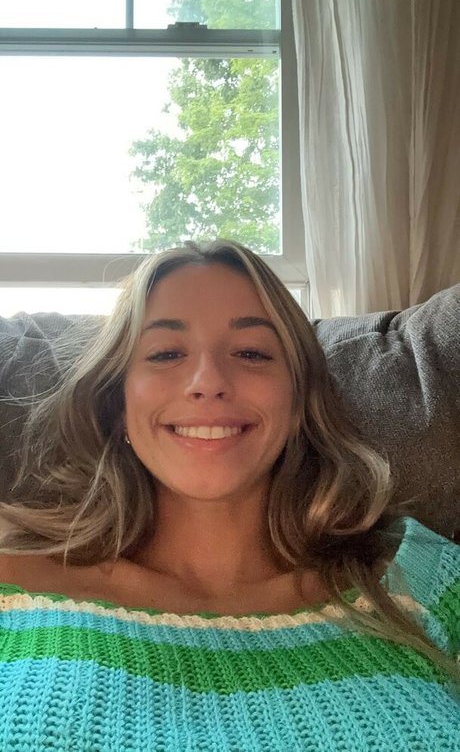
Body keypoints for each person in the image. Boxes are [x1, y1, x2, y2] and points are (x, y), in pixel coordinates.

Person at [0, 239, 458, 751]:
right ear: (117, 402)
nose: (208, 382)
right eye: (166, 353)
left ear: (299, 398)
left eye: (251, 353)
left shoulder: (428, 577)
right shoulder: (11, 576)